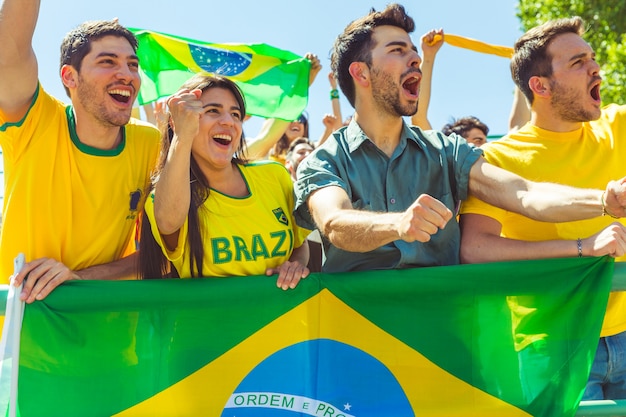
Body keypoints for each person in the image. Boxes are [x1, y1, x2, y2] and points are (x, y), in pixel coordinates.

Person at [293, 3, 626, 274]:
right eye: (397, 50)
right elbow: (334, 223)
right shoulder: (323, 161)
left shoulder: (447, 152)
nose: (416, 58)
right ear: (361, 72)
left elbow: (524, 193)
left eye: (414, 51)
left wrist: (604, 201)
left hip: (443, 344)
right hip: (358, 347)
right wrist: (398, 224)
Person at [458, 16, 626, 400]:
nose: (595, 68)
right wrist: (582, 247)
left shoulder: (619, 123)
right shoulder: (497, 157)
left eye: (592, 58)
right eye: (577, 63)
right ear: (540, 85)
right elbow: (475, 249)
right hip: (554, 344)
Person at [0, 0, 160, 302]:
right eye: (108, 62)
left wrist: (80, 277)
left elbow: (169, 253)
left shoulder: (150, 144)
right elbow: (8, 53)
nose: (126, 74)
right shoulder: (33, 121)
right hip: (22, 332)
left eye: (132, 64)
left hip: (108, 335)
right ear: (69, 77)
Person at [138, 74, 310, 290]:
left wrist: (294, 266)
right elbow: (168, 223)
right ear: (181, 120)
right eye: (212, 111)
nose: (229, 121)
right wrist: (182, 135)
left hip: (283, 321)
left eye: (235, 114)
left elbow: (298, 244)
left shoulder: (275, 175)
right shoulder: (164, 196)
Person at [284, 137, 323, 273]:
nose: (307, 155)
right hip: (288, 280)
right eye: (301, 152)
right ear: (288, 164)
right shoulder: (281, 195)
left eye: (311, 152)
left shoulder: (328, 193)